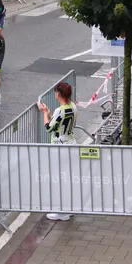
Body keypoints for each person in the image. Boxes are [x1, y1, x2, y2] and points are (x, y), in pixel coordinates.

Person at [38, 81, 78, 222]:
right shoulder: (73, 106)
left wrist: (45, 113)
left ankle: (61, 211)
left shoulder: (60, 111)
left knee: (59, 178)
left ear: (59, 94)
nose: (55, 94)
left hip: (60, 147)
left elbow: (49, 128)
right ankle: (69, 208)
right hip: (71, 143)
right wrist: (49, 114)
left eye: (56, 92)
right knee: (67, 177)